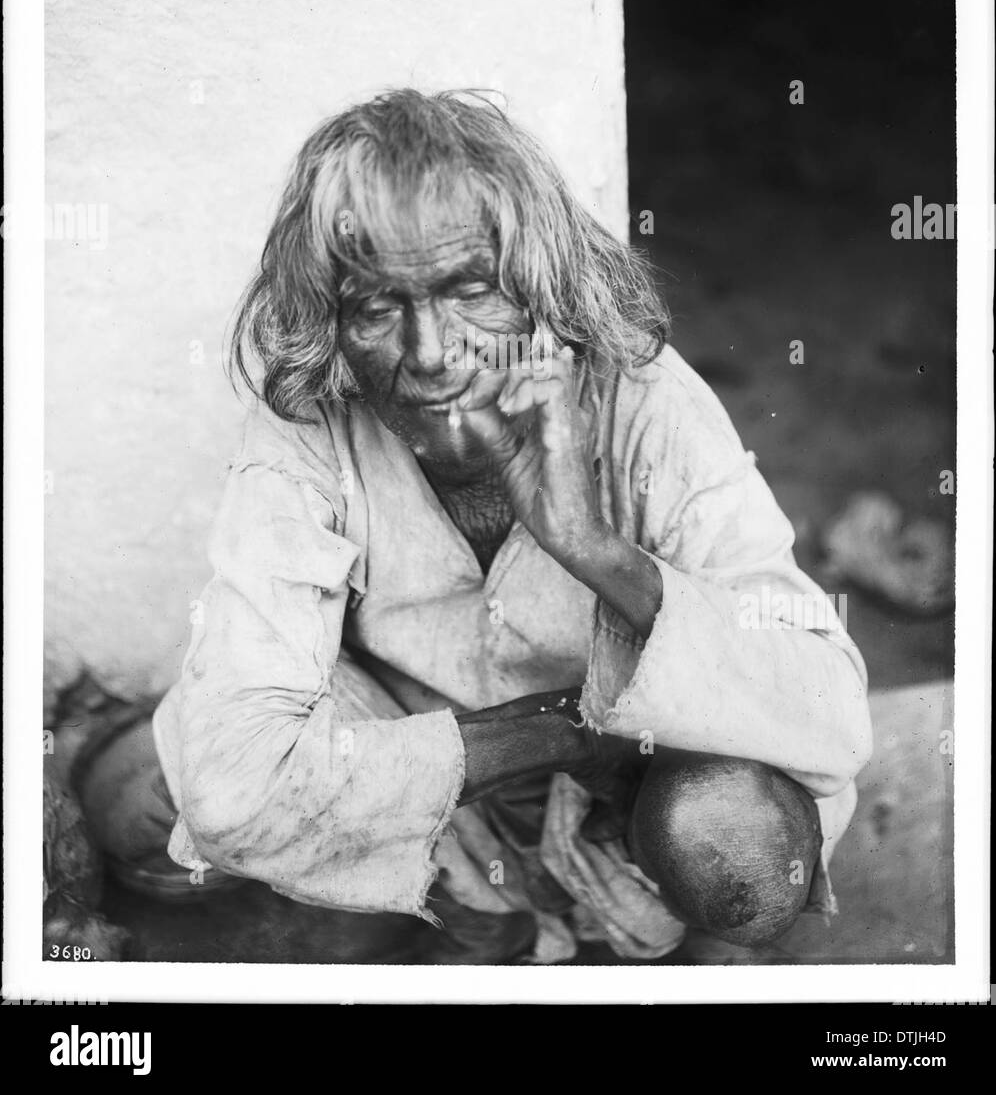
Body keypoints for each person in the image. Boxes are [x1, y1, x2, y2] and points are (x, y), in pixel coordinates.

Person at [81, 89, 872, 964]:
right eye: (377, 307)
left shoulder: (641, 403)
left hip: (607, 795)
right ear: (334, 323)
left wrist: (596, 551)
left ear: (538, 290)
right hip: (413, 757)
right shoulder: (312, 426)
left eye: (470, 290)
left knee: (737, 852)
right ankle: (463, 898)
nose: (427, 352)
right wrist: (559, 734)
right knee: (145, 824)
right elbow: (235, 791)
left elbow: (829, 707)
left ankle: (520, 912)